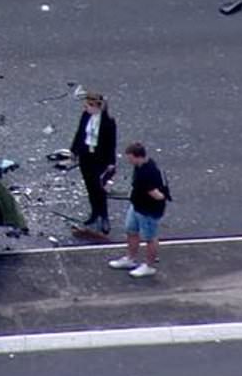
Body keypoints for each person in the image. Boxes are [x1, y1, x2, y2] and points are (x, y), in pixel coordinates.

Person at [109, 142, 168, 278]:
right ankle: (130, 258)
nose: (128, 161)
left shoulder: (149, 172)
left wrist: (156, 197)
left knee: (150, 238)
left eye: (130, 158)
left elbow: (157, 194)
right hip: (136, 206)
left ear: (137, 157)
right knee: (131, 231)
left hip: (147, 210)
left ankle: (149, 266)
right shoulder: (140, 166)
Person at [70, 91, 117, 234]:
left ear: (97, 107)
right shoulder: (86, 116)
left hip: (100, 157)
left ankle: (104, 216)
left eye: (88, 106)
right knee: (90, 186)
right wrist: (74, 151)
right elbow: (80, 133)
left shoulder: (108, 122)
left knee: (99, 188)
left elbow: (111, 143)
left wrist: (111, 162)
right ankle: (94, 213)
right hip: (86, 156)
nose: (86, 109)